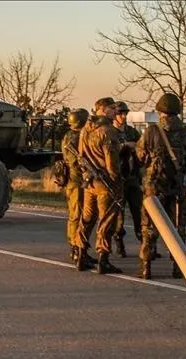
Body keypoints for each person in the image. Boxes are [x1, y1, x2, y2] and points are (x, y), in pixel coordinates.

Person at [135, 92, 186, 280]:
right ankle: (178, 266)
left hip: (154, 184)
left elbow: (141, 155)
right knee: (179, 225)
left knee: (149, 225)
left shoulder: (152, 131)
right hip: (177, 183)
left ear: (160, 111)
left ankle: (147, 266)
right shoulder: (185, 132)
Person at [77, 97, 124, 274]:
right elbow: (112, 163)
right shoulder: (108, 131)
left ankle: (81, 253)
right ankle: (103, 258)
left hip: (89, 182)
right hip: (106, 183)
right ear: (102, 109)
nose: (115, 112)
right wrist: (117, 181)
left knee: (87, 218)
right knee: (106, 221)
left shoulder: (84, 130)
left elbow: (81, 156)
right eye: (112, 108)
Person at [60, 108, 96, 267]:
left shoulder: (71, 136)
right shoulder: (73, 138)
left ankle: (80, 248)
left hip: (76, 180)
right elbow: (77, 161)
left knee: (80, 214)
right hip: (77, 182)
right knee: (78, 214)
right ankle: (76, 248)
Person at [109, 101, 143, 258]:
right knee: (119, 214)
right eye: (120, 114)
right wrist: (124, 146)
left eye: (125, 114)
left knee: (139, 212)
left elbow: (142, 147)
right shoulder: (110, 133)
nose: (123, 116)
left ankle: (145, 244)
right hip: (119, 179)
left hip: (133, 177)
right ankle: (119, 242)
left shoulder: (132, 131)